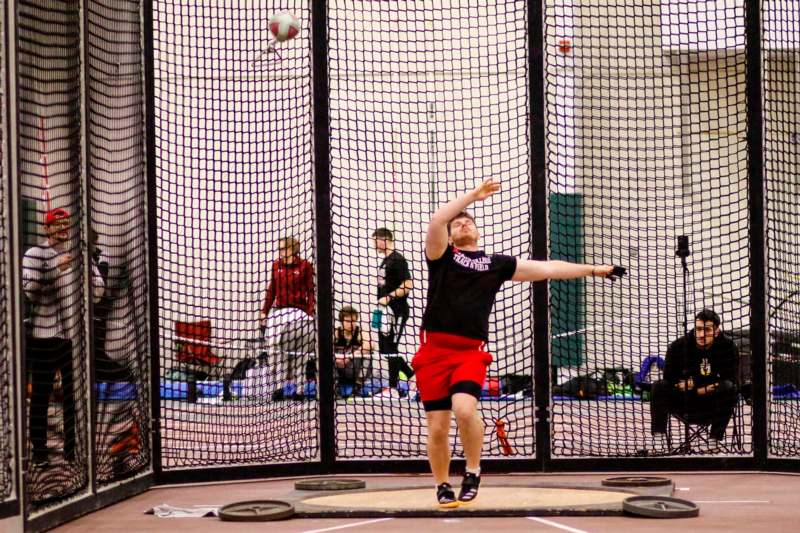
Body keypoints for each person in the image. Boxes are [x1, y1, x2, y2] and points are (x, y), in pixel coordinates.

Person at [413, 179, 623, 507]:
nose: (463, 222)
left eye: (468, 220)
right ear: (451, 235)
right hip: (433, 352)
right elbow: (437, 220)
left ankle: (472, 470)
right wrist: (473, 196)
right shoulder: (441, 256)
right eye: (458, 223)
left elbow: (548, 268)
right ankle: (442, 484)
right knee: (438, 427)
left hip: (469, 352)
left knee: (465, 409)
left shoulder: (496, 264)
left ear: (478, 232)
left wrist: (594, 269)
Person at [23, 208, 105, 466]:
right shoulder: (34, 255)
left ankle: (73, 451)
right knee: (41, 395)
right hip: (44, 336)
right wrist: (55, 269)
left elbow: (99, 292)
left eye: (65, 224)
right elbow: (30, 292)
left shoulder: (79, 255)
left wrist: (84, 272)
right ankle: (39, 452)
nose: (62, 229)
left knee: (75, 396)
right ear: (46, 229)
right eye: (56, 225)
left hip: (74, 337)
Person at [650, 308, 739, 449]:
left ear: (717, 331)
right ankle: (659, 439)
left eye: (707, 330)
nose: (702, 335)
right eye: (698, 329)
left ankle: (714, 441)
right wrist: (708, 384)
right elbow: (670, 380)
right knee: (659, 386)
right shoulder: (678, 347)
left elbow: (731, 380)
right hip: (684, 402)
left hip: (712, 403)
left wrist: (696, 385)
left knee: (729, 389)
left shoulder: (727, 347)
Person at [260, 236, 316, 400]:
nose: (281, 252)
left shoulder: (305, 266)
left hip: (299, 312)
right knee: (276, 350)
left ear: (293, 249)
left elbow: (311, 291)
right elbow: (272, 290)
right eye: (280, 249)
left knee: (301, 354)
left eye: (284, 248)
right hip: (280, 312)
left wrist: (310, 311)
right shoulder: (276, 266)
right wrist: (264, 311)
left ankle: (299, 391)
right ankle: (278, 389)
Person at [372, 227, 414, 396]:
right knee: (384, 348)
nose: (374, 244)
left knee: (391, 347)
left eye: (375, 240)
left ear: (384, 239)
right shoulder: (385, 261)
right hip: (382, 311)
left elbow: (407, 285)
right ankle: (410, 376)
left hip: (396, 310)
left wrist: (389, 297)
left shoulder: (397, 259)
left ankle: (394, 387)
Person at [334, 305, 373, 397]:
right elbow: (325, 348)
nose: (351, 324)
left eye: (354, 321)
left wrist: (350, 357)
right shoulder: (336, 333)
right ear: (341, 321)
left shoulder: (360, 332)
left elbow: (370, 344)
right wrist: (336, 359)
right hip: (340, 369)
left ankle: (358, 386)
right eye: (348, 321)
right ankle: (335, 385)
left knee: (368, 353)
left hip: (356, 371)